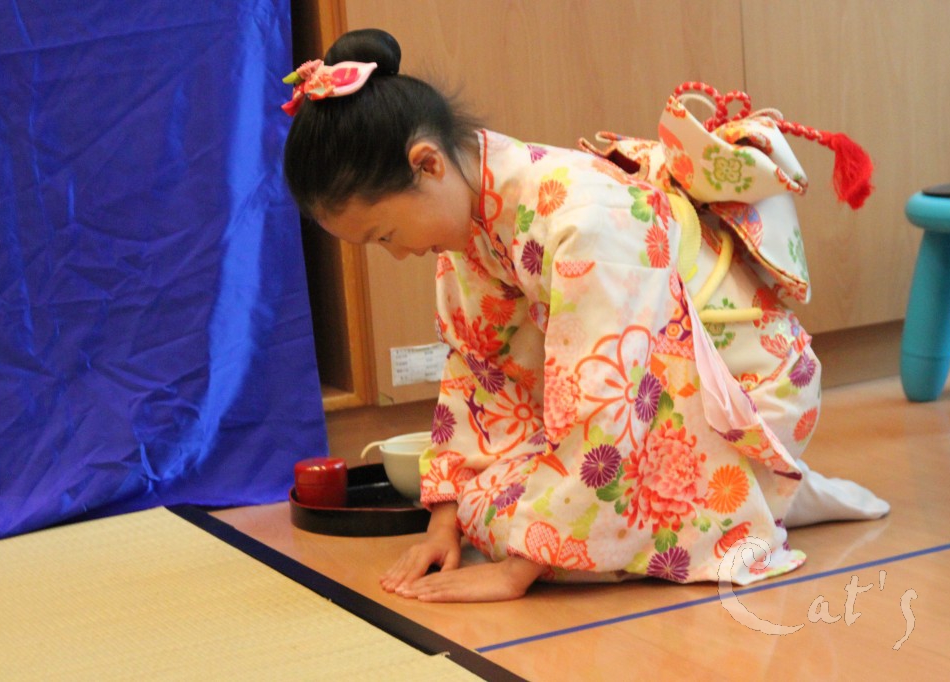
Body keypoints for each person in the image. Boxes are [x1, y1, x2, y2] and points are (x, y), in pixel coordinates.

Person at [283, 29, 889, 603]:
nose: (396, 254)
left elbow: (606, 392)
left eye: (385, 234)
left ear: (428, 164)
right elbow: (479, 375)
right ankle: (759, 495)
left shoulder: (581, 215)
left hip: (741, 389)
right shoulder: (470, 228)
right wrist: (442, 526)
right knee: (480, 507)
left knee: (508, 523)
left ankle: (756, 483)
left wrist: (520, 568)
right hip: (645, 392)